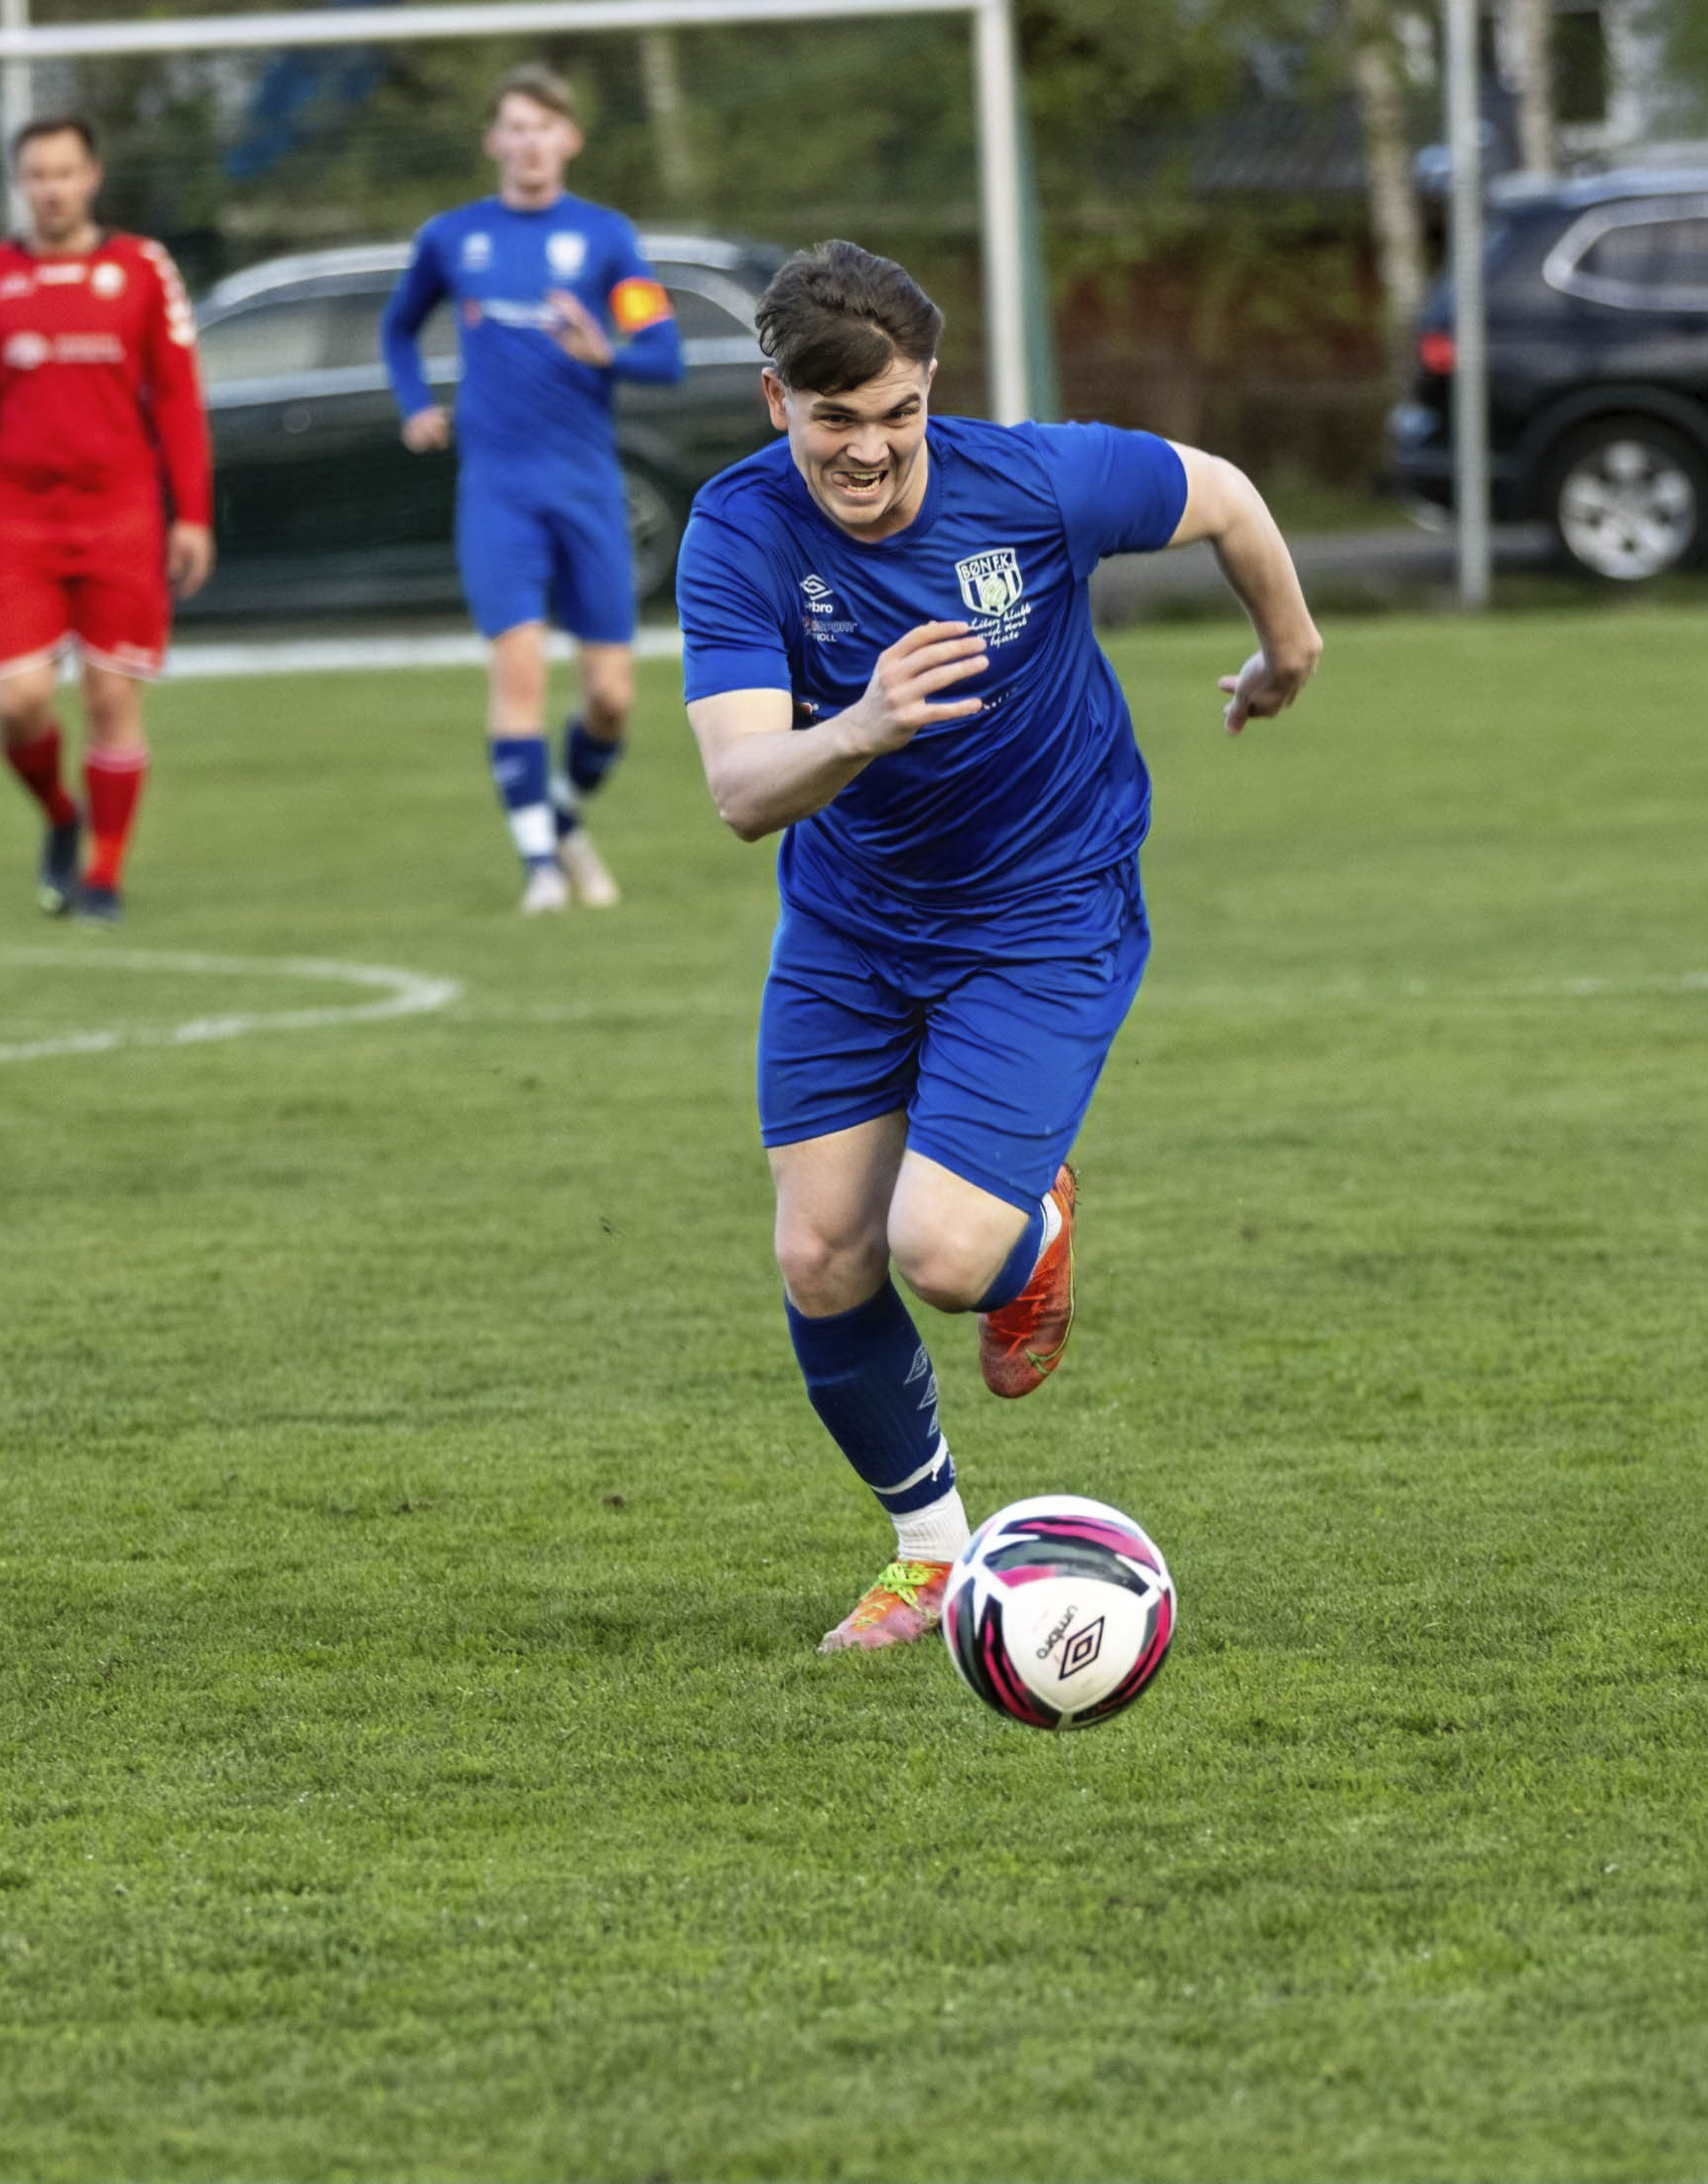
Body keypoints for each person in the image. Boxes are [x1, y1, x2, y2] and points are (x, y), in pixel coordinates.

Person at [677, 241, 1320, 1650]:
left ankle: (1032, 1218)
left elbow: (1227, 496)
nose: (868, 452)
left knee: (948, 1258)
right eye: (833, 420)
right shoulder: (735, 535)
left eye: (896, 413)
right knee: (824, 1257)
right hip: (851, 923)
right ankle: (928, 1555)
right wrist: (859, 725)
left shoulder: (1032, 481)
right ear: (772, 399)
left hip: (1044, 910)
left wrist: (1287, 649)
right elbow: (739, 792)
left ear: (930, 391)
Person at [381, 63, 684, 915]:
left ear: (569, 140)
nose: (528, 142)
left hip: (587, 488)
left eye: (543, 126)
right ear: (493, 142)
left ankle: (560, 818)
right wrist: (416, 407)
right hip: (497, 490)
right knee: (516, 675)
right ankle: (541, 871)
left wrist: (607, 352)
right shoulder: (453, 239)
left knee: (611, 700)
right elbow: (399, 327)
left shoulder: (606, 239)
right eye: (513, 126)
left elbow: (665, 355)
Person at [0, 113, 213, 924]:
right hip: (20, 519)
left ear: (93, 177)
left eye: (66, 172)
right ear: (22, 184)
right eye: (38, 175)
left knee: (109, 695)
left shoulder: (143, 269)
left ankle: (104, 876)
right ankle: (60, 813)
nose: (52, 189)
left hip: (121, 511)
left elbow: (180, 399)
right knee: (17, 702)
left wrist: (192, 512)